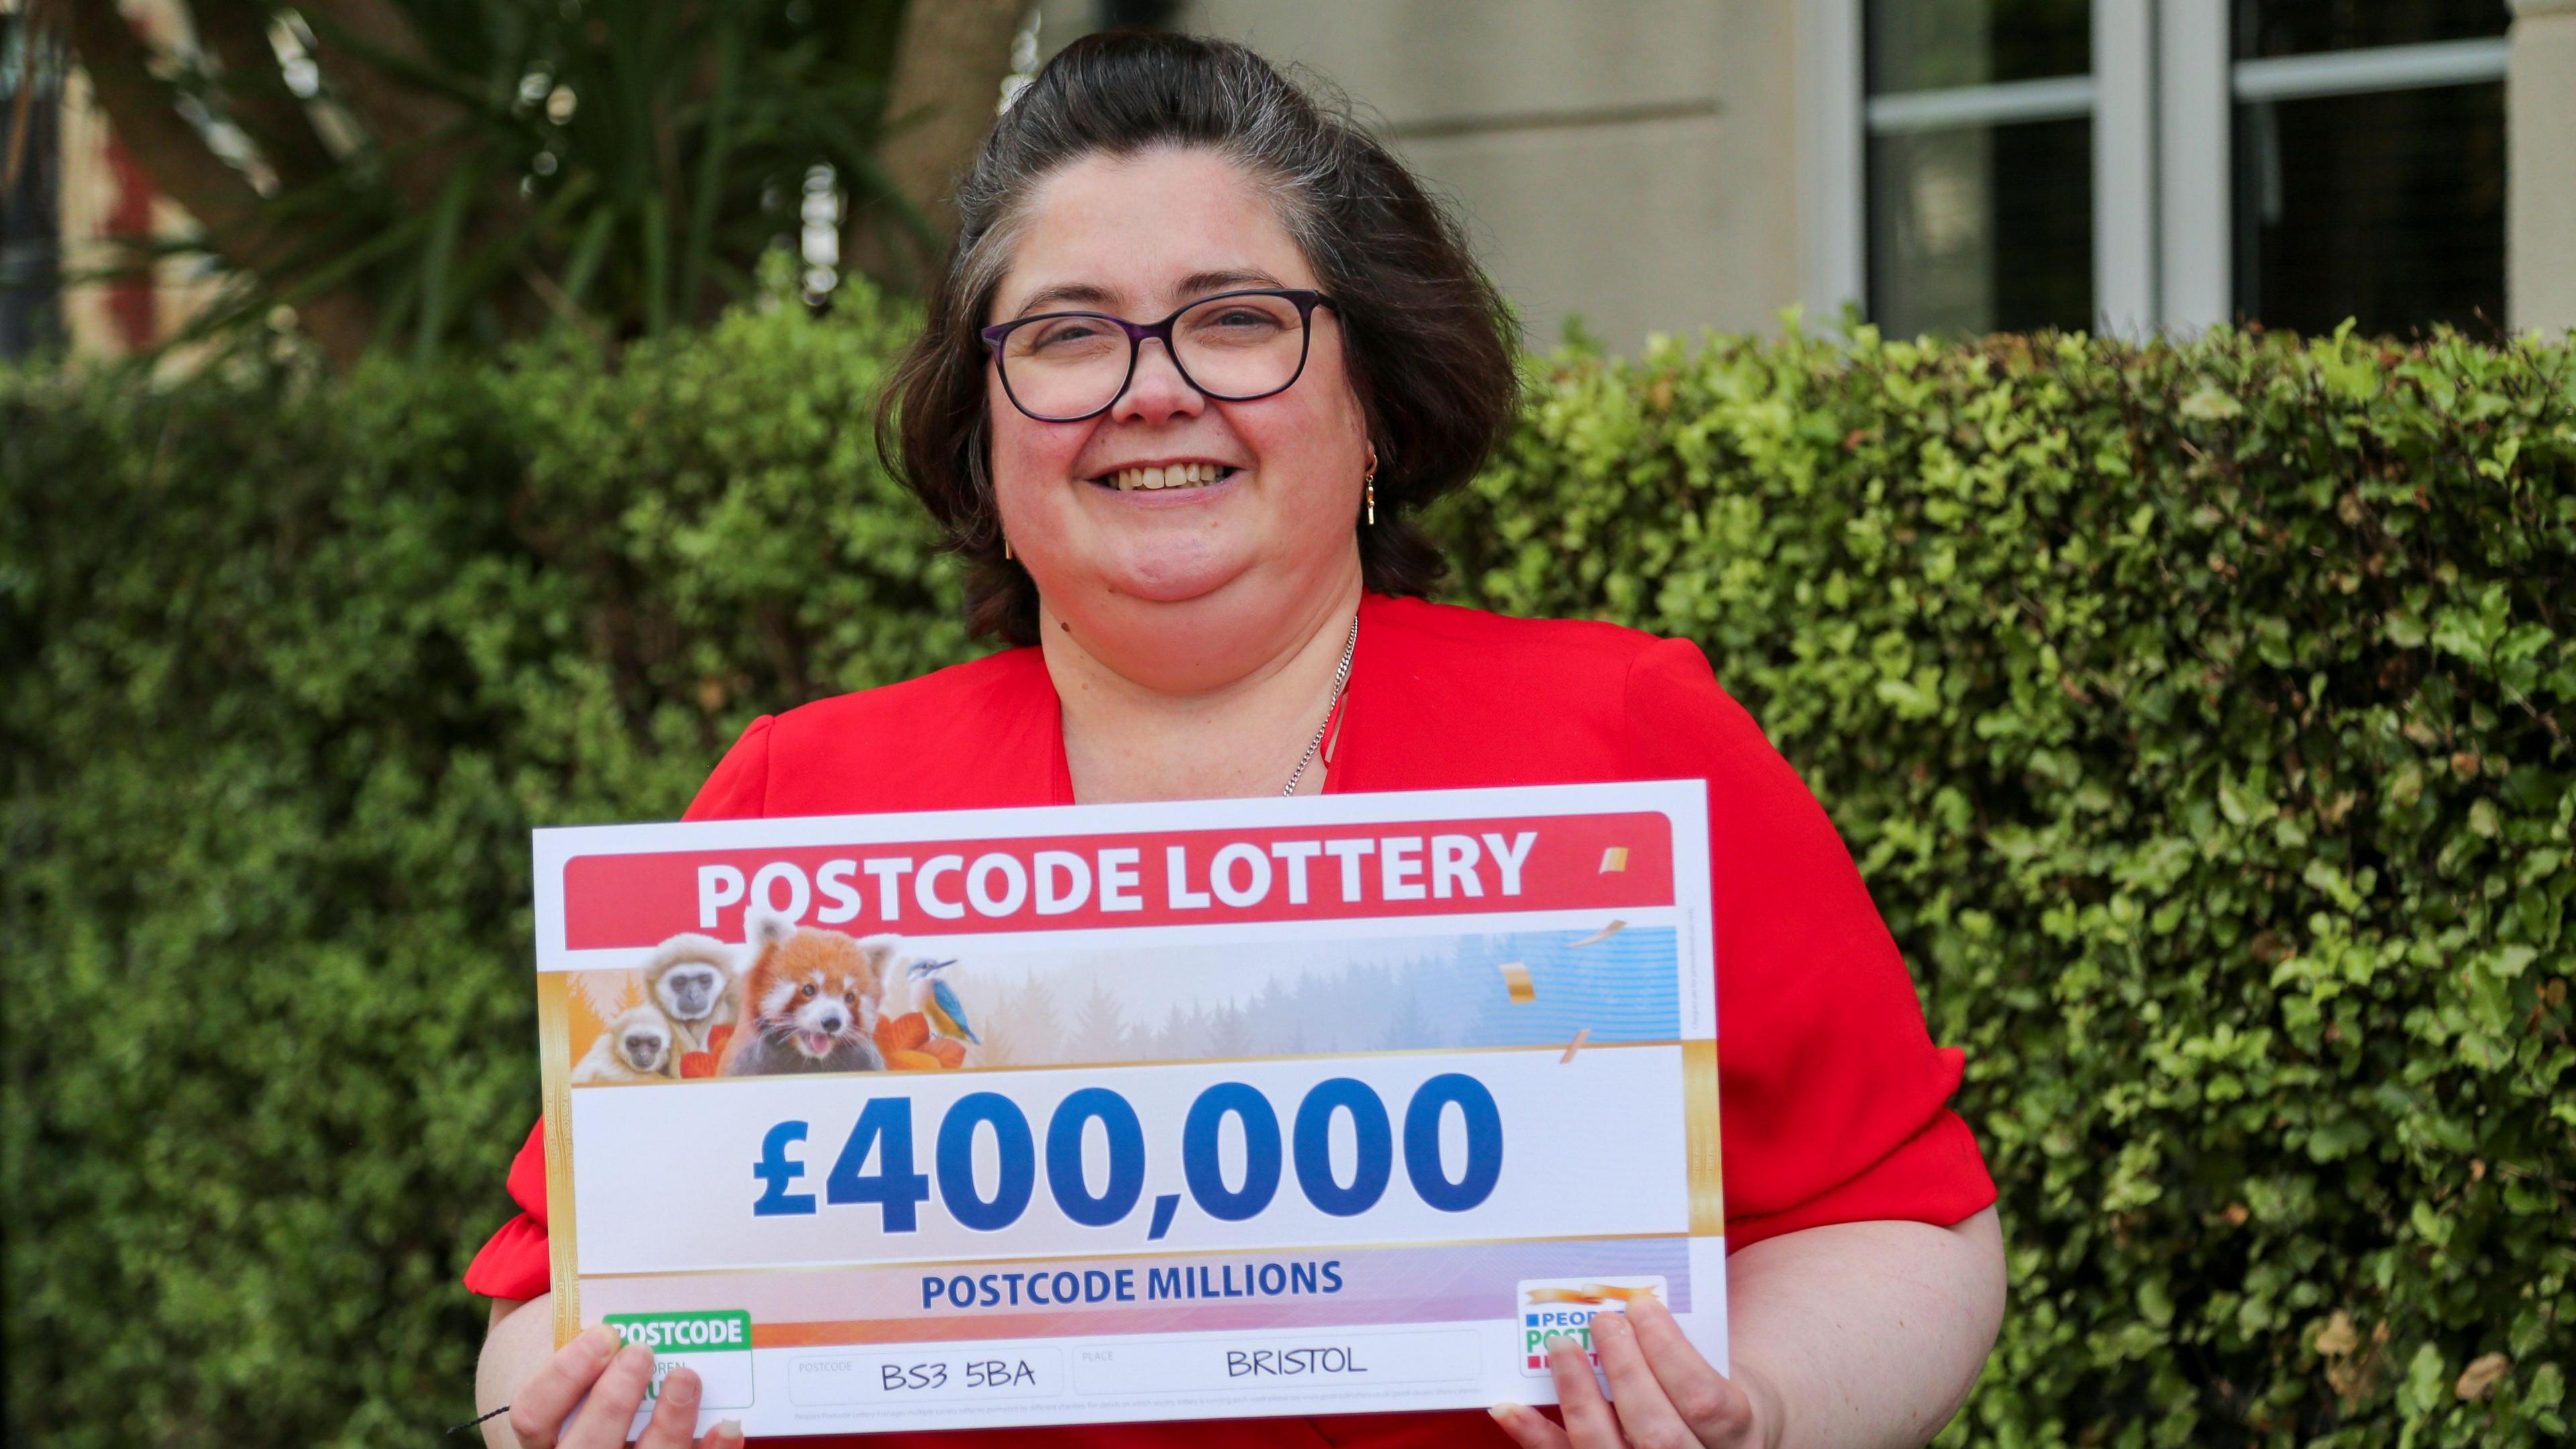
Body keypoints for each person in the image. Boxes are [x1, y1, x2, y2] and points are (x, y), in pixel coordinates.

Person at [470, 31, 2004, 1449]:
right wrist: (592, 1414)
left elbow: (1905, 1219)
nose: (1154, 391)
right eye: (1069, 336)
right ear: (983, 427)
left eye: (1236, 320)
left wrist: (1764, 1409)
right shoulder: (801, 809)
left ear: (1376, 399)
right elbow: (557, 1296)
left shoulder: (1617, 743)